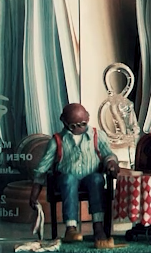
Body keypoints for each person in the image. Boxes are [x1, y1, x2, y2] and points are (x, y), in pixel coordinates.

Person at [30, 103, 119, 244]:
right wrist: (34, 193)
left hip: (90, 178)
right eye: (73, 126)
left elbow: (108, 154)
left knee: (96, 180)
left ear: (88, 118)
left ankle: (98, 225)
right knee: (68, 180)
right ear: (64, 121)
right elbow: (42, 168)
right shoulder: (57, 140)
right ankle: (70, 227)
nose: (79, 128)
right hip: (67, 180)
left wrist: (111, 162)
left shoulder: (97, 135)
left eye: (82, 124)